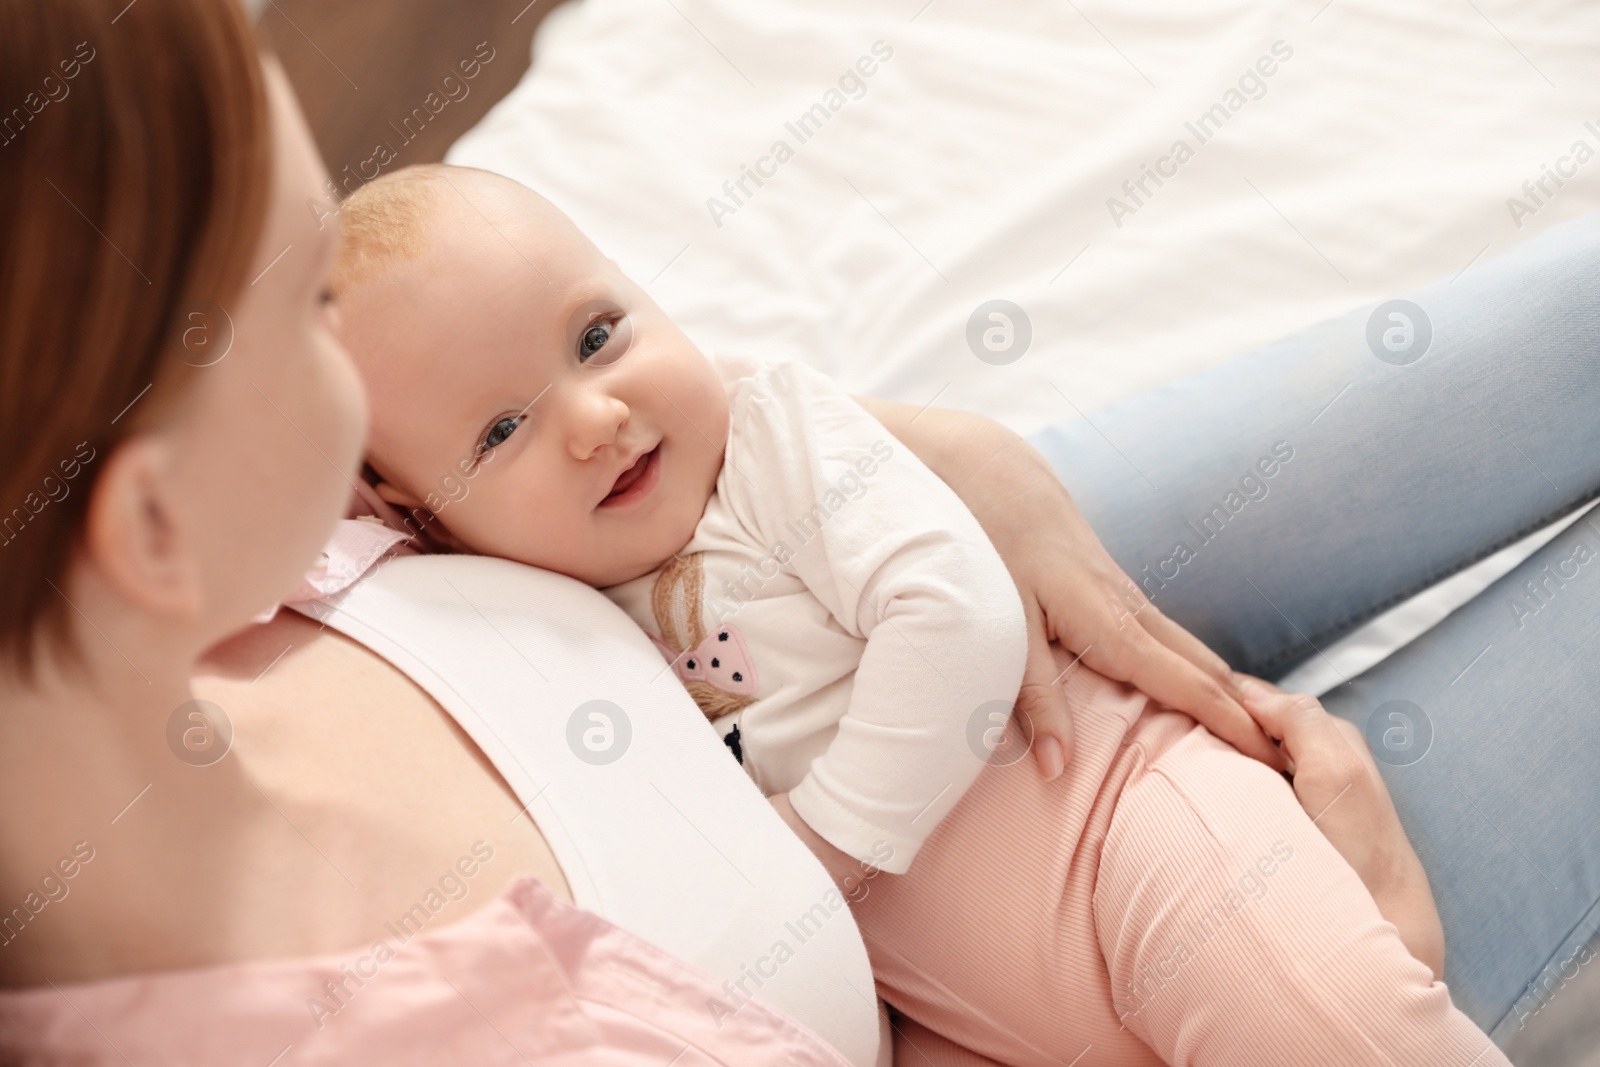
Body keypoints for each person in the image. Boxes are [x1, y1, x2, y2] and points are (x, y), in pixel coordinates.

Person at [0, 1, 1256, 1060]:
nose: (363, 440)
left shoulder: (256, 560)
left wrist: (916, 451)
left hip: (851, 581)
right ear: (155, 524)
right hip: (1079, 908)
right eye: (307, 311)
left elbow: (590, 409)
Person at [322, 161, 1503, 1066]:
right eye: (498, 431)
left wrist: (822, 845)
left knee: (1320, 1018)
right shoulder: (548, 614)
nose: (594, 414)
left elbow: (959, 618)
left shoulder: (773, 441)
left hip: (1115, 831)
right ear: (420, 521)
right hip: (969, 1001)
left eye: (597, 334)